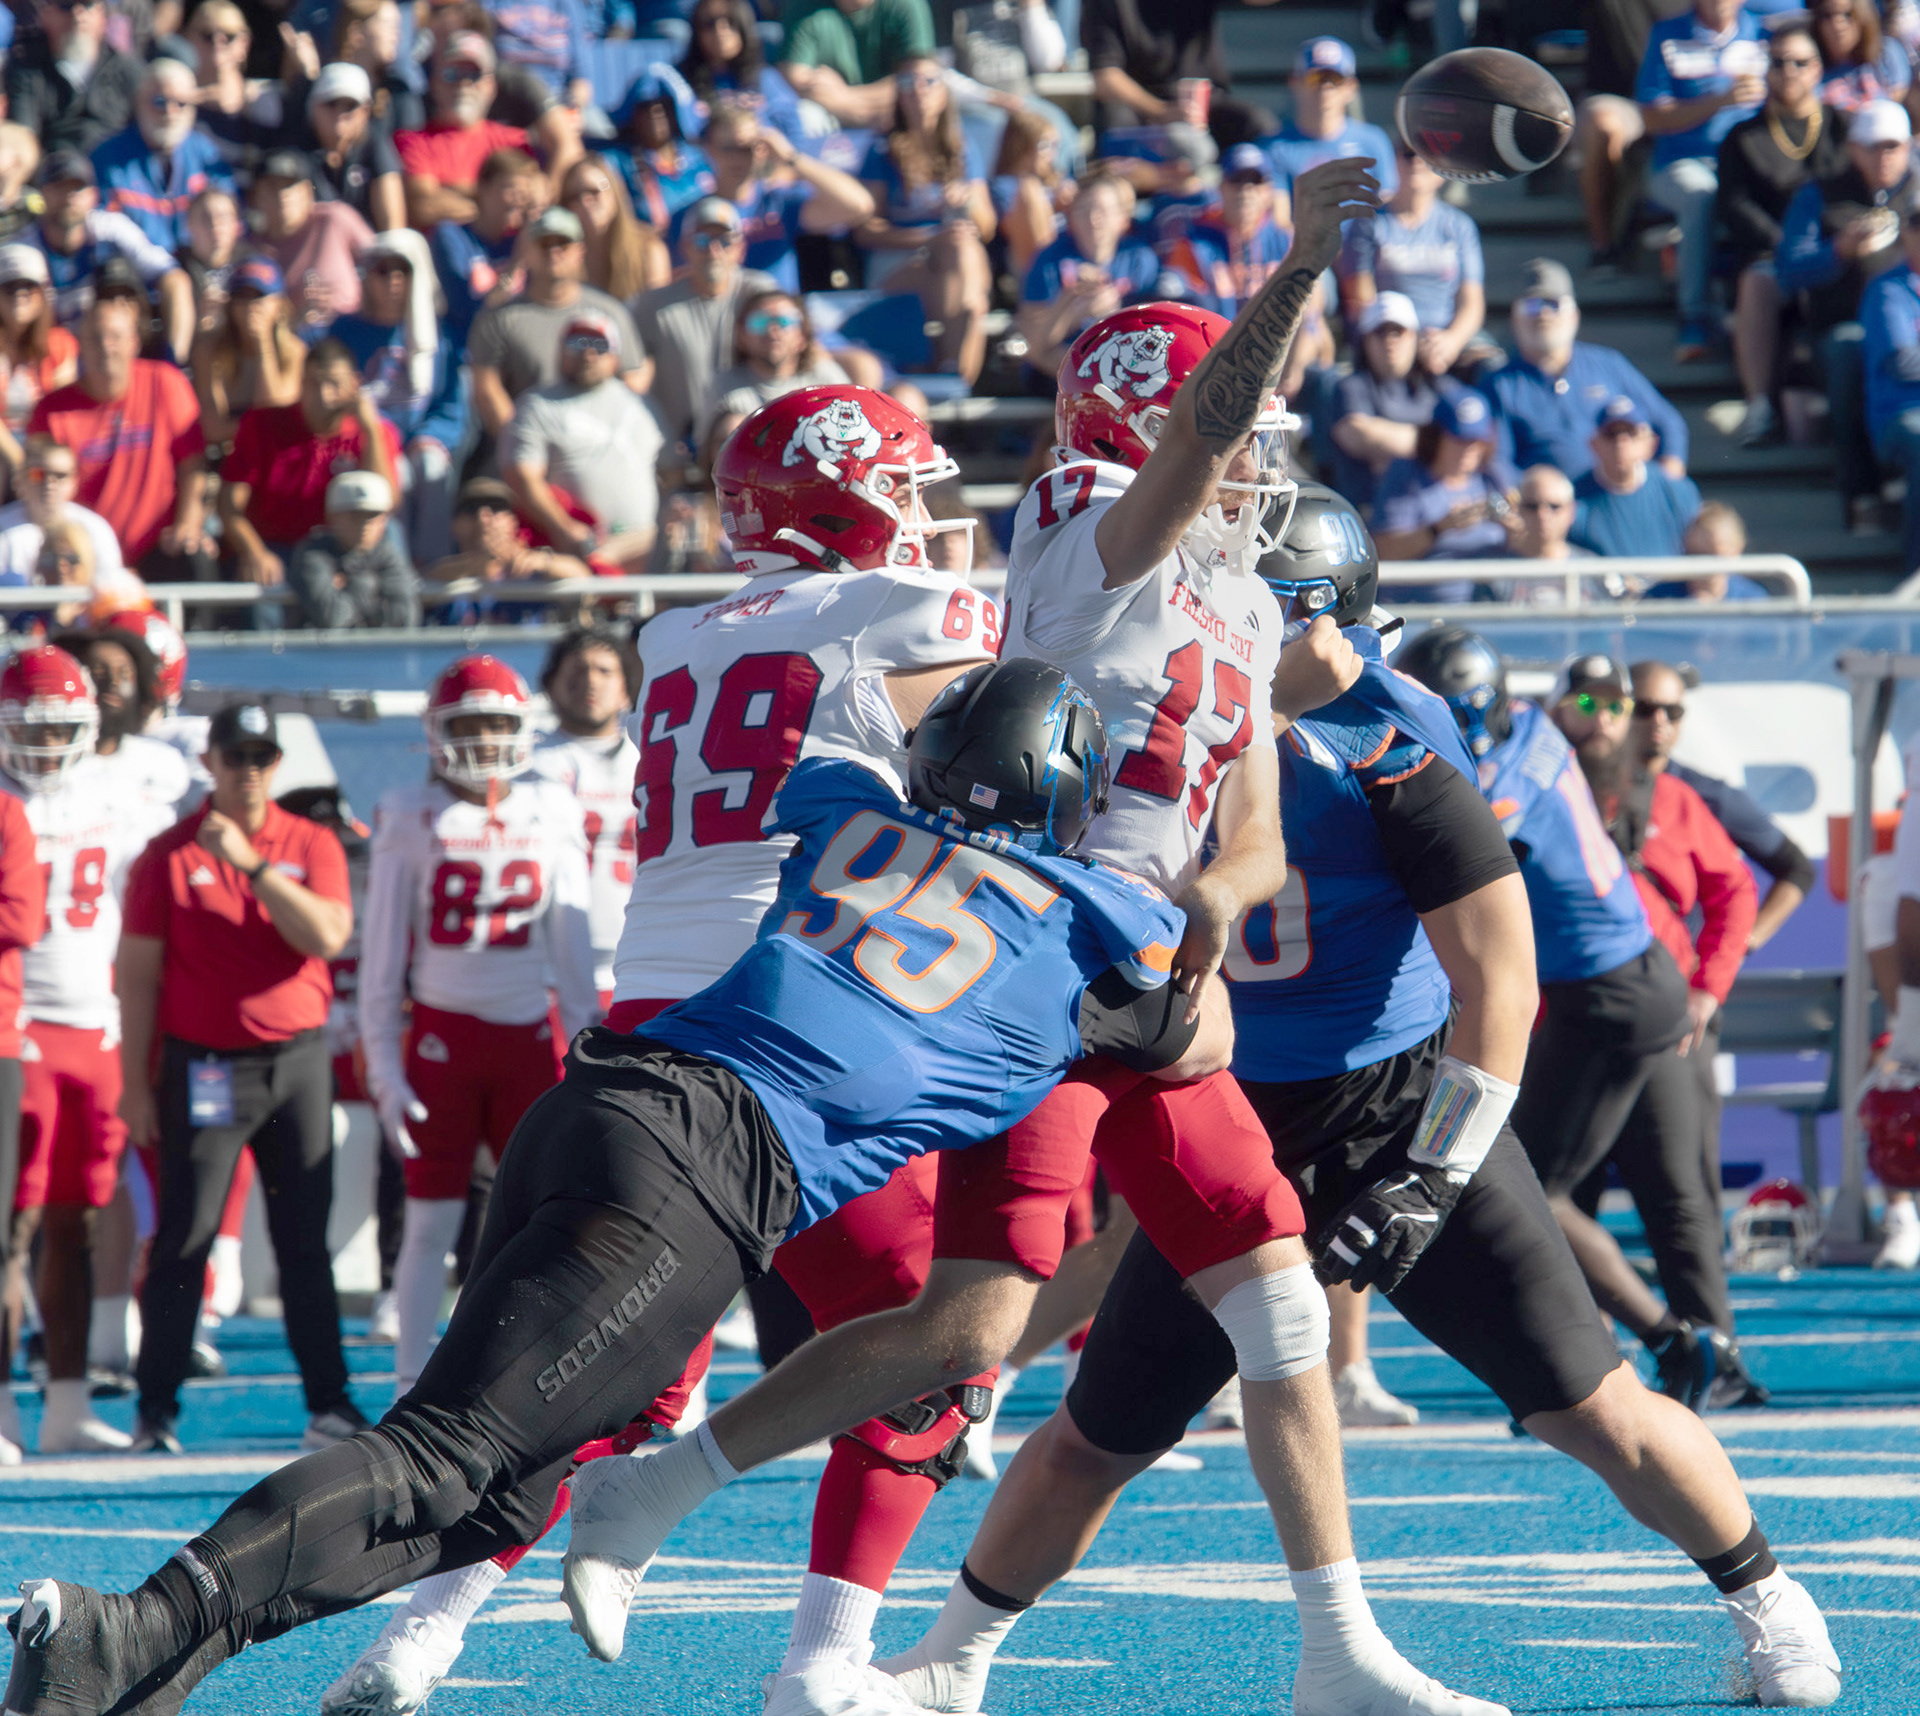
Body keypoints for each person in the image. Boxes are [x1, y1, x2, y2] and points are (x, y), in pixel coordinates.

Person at [0, 655, 1240, 1715]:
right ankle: (122, 1627)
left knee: (498, 1494)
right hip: (705, 1170)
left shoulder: (849, 812)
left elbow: (857, 704)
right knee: (445, 1454)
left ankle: (140, 1671)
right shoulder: (1094, 921)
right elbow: (1203, 1038)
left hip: (600, 1100)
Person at [879, 505, 1843, 1716]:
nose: (1203, 623)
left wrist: (1434, 1172)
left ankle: (1769, 1600)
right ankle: (952, 1658)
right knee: (1098, 1433)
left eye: (1239, 601)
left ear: (1313, 614)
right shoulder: (1183, 715)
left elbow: (1499, 970)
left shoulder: (1389, 735)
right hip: (1227, 1116)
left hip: (1394, 1104)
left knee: (1589, 1407)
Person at [1402, 638, 1749, 1413]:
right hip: (1628, 979)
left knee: (1538, 1190)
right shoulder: (1528, 725)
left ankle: (1673, 1342)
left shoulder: (1500, 784)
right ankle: (1642, 1352)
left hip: (1609, 993)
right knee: (1629, 1186)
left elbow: (1445, 850)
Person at [118, 698, 365, 1454]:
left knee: (303, 1242)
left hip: (296, 1061)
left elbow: (326, 934)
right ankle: (155, 1407)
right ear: (211, 763)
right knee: (185, 1238)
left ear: (275, 766)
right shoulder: (168, 853)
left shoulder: (309, 841)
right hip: (206, 1065)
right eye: (236, 758)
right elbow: (138, 974)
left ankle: (329, 1399)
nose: (249, 773)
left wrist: (253, 866)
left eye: (261, 759)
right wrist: (134, 1081)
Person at [357, 652, 597, 1396]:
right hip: (442, 1037)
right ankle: (407, 1385)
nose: (487, 739)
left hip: (529, 1034)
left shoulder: (550, 807)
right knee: (428, 1222)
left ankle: (516, 1380)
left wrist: (589, 1053)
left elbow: (575, 951)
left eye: (499, 723)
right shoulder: (411, 813)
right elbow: (381, 957)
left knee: (537, 1224)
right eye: (472, 724)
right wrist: (385, 1070)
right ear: (437, 732)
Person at [0, 646, 170, 1454]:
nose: (41, 747)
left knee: (78, 1220)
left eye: (60, 729)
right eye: (27, 730)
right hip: (14, 1026)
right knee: (13, 1223)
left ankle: (65, 1399)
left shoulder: (120, 796)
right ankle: (2, 1406)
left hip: (94, 1026)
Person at [1784, 101, 1919, 534]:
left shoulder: (1916, 193)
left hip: (1909, 324)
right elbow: (1788, 268)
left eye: (1893, 147)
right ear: (1854, 149)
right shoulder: (1820, 194)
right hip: (1845, 320)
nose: (1885, 156)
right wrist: (1838, 252)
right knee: (1848, 353)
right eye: (1874, 147)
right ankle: (1862, 493)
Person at [1717, 24, 1849, 448]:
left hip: (1836, 251)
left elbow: (1852, 194)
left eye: (1800, 62)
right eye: (1777, 62)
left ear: (1818, 69)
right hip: (1772, 256)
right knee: (1757, 282)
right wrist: (1784, 244)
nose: (1788, 71)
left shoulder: (1844, 128)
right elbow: (1734, 205)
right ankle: (1759, 406)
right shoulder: (1742, 137)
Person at [28, 291, 207, 577]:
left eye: (115, 337)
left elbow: (193, 465)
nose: (105, 347)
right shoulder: (52, 411)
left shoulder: (165, 382)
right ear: (80, 347)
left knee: (197, 557)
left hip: (159, 548)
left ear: (134, 342)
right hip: (86, 555)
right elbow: (39, 481)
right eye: (95, 338)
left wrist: (189, 522)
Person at [218, 338, 400, 605]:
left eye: (335, 384)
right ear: (301, 383)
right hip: (276, 547)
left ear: (354, 385)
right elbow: (229, 507)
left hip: (344, 551)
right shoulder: (262, 425)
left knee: (392, 534)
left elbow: (387, 503)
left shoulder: (375, 432)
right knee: (262, 582)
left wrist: (370, 431)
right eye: (314, 383)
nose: (325, 395)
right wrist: (254, 552)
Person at [328, 228, 466, 566]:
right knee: (396, 471)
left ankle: (432, 564)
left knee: (431, 466)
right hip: (366, 438)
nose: (391, 280)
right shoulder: (342, 332)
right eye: (381, 270)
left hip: (420, 439)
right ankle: (395, 564)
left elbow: (453, 403)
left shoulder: (440, 336)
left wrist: (431, 436)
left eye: (400, 270)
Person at [1483, 259, 1689, 480]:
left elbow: (1668, 423)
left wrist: (1669, 476)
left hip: (1618, 500)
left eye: (1553, 304)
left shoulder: (1609, 364)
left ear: (1574, 315)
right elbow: (1500, 463)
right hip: (1549, 508)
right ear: (1514, 318)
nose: (1543, 314)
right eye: (1532, 304)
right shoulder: (1499, 385)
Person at [855, 60, 992, 380]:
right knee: (969, 285)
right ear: (898, 96)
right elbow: (865, 231)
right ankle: (953, 373)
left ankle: (950, 371)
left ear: (944, 93)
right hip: (896, 261)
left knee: (967, 269)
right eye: (907, 83)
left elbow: (987, 227)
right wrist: (930, 238)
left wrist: (968, 201)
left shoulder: (962, 149)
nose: (918, 90)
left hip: (955, 260)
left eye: (929, 81)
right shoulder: (880, 151)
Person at [468, 206, 647, 446]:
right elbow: (487, 390)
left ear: (579, 251)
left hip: (600, 446)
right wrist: (525, 446)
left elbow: (632, 381)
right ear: (528, 252)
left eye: (562, 243)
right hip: (526, 454)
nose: (553, 252)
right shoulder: (500, 317)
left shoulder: (610, 312)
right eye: (544, 244)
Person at [499, 310, 665, 568]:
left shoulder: (641, 405)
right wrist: (564, 528)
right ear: (559, 351)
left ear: (615, 356)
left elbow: (671, 471)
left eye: (599, 345)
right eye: (576, 343)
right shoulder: (537, 405)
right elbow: (522, 476)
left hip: (645, 547)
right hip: (578, 552)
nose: (588, 353)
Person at [530, 625, 639, 1006]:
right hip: (549, 969)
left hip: (638, 962)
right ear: (549, 685)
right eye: (576, 671)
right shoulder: (527, 761)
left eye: (605, 671)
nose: (591, 682)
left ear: (628, 686)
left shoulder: (653, 757)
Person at [630, 196, 778, 451]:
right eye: (702, 241)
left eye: (724, 241)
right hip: (681, 444)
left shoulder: (759, 293)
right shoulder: (654, 307)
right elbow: (633, 378)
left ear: (741, 249)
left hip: (754, 439)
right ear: (684, 247)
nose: (713, 251)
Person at [1338, 135, 1486, 377]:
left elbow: (1472, 302)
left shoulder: (1459, 226)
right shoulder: (1367, 224)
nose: (1417, 161)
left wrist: (1451, 341)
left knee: (1490, 368)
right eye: (1408, 153)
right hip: (1389, 339)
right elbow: (1360, 300)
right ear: (1392, 162)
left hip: (1447, 340)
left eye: (1428, 155)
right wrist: (1408, 343)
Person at [24, 150, 193, 360]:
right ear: (41, 194)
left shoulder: (111, 229)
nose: (69, 196)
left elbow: (175, 280)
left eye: (77, 188)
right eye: (59, 186)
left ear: (94, 195)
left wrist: (172, 362)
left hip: (117, 352)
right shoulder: (24, 249)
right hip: (52, 360)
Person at [1015, 171, 1160, 378]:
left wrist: (1115, 306)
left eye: (1102, 211)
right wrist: (1073, 304)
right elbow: (1035, 346)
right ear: (1071, 217)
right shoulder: (1050, 259)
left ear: (1123, 219)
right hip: (1063, 367)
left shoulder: (1140, 258)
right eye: (1084, 210)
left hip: (1125, 364)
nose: (1093, 220)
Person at [1081, 0, 1279, 150]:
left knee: (1257, 124)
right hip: (1142, 110)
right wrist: (1161, 111)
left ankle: (1264, 196)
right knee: (1116, 125)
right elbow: (1105, 77)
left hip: (1206, 104)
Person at [1370, 389, 1519, 585]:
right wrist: (1440, 528)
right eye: (1458, 439)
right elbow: (1383, 551)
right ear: (1436, 436)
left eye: (1476, 441)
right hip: (1424, 603)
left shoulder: (1494, 475)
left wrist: (1515, 530)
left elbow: (1531, 541)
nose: (1468, 449)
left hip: (1487, 601)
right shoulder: (1407, 475)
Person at [91, 55, 237, 252]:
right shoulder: (106, 158)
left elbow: (232, 225)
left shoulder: (207, 155)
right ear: (138, 102)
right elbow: (100, 232)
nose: (170, 112)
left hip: (199, 270)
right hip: (133, 274)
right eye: (159, 101)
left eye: (181, 103)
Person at [395, 32, 531, 230]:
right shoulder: (412, 141)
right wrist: (494, 201)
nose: (463, 84)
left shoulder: (515, 142)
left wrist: (451, 191)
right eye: (452, 75)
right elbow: (423, 206)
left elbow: (529, 201)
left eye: (473, 75)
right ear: (435, 85)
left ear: (490, 87)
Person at [1158, 143, 1303, 323]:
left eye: (1255, 181)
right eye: (1237, 180)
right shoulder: (1194, 243)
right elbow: (1180, 305)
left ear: (1268, 192)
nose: (1246, 191)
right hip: (1213, 342)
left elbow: (1308, 309)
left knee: (1310, 323)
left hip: (1274, 343)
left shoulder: (1286, 242)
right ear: (1221, 187)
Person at [1327, 289, 1437, 512]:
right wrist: (1436, 446)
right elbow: (1358, 435)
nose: (1390, 341)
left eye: (1398, 331)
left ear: (1415, 336)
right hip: (1372, 511)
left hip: (1433, 507)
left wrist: (1389, 451)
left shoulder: (1437, 386)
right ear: (1365, 340)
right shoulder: (1350, 387)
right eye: (1380, 332)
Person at [248, 147, 373, 329]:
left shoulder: (334, 218)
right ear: (255, 197)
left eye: (290, 185)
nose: (283, 195)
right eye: (272, 186)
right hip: (295, 345)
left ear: (308, 192)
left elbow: (380, 260)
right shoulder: (252, 250)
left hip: (356, 330)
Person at [190, 255, 305, 449]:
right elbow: (213, 429)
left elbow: (276, 416)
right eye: (242, 297)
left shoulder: (294, 351)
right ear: (231, 305)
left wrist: (263, 344)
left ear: (278, 304)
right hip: (228, 457)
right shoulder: (209, 351)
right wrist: (258, 428)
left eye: (258, 297)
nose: (250, 306)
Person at [428, 144, 541, 342]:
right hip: (465, 352)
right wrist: (515, 265)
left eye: (524, 195)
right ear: (483, 188)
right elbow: (467, 313)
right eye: (510, 189)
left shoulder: (525, 241)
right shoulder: (451, 236)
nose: (517, 201)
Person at [702, 288, 849, 437]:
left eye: (785, 321)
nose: (773, 329)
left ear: (802, 336)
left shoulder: (826, 381)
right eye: (760, 322)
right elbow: (707, 453)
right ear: (741, 336)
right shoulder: (723, 387)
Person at [1570, 395, 1705, 557]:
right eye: (1611, 434)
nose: (1621, 443)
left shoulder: (1679, 492)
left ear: (1650, 443)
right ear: (1594, 444)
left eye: (1631, 433)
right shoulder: (1573, 500)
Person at [5, 0, 142, 159]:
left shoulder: (128, 70)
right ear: (46, 15)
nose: (78, 14)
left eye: (88, 5)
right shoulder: (25, 69)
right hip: (52, 173)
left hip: (114, 171)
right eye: (67, 5)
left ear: (102, 16)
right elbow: (24, 135)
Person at [1262, 38, 1398, 195]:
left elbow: (1388, 205)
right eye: (1315, 78)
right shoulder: (1273, 149)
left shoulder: (1374, 142)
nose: (1325, 87)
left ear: (1351, 87)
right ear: (1294, 83)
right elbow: (1278, 216)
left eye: (1335, 79)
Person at [285, 468, 418, 628]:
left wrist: (355, 584)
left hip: (380, 652)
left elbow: (403, 618)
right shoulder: (312, 554)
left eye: (372, 517)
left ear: (384, 520)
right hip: (322, 652)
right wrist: (373, 593)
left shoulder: (388, 555)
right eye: (355, 516)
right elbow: (334, 618)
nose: (364, 525)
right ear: (332, 516)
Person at [776, 0, 935, 129]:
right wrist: (854, 112)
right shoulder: (804, 8)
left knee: (938, 97)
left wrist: (844, 96)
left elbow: (918, 81)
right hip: (836, 118)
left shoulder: (907, 5)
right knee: (805, 115)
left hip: (896, 115)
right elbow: (795, 80)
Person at [0, 433, 125, 588]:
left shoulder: (95, 528)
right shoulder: (3, 527)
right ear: (20, 479)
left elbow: (111, 588)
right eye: (38, 474)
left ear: (74, 482)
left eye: (60, 475)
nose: (49, 484)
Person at [184, 0, 288, 184]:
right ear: (188, 38)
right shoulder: (176, 104)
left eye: (229, 36)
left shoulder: (266, 99)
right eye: (208, 35)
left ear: (244, 43)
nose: (218, 42)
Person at [0, 247, 78, 486]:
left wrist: (34, 463)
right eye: (10, 288)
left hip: (45, 450)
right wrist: (19, 460)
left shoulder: (60, 344)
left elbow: (63, 411)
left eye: (29, 287)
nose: (20, 295)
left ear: (43, 294)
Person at [301, 60, 404, 232]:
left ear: (365, 111)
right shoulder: (297, 153)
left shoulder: (375, 147)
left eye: (350, 106)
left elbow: (393, 229)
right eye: (331, 103)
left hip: (370, 252)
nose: (340, 114)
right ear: (312, 107)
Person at [679, 0, 803, 139]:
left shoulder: (766, 78)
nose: (720, 30)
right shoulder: (680, 82)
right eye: (710, 23)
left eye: (731, 21)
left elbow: (794, 135)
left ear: (743, 26)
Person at [560, 152, 668, 303]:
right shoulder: (561, 256)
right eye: (574, 197)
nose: (585, 202)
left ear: (614, 192)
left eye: (594, 191)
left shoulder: (648, 249)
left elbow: (654, 315)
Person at [989, 108, 1066, 282]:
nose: (1052, 154)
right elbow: (1011, 226)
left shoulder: (1055, 182)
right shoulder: (1003, 186)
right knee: (1029, 190)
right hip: (1027, 262)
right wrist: (1052, 205)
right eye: (1045, 145)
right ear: (1022, 145)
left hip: (1066, 253)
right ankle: (1046, 278)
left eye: (1055, 146)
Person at [1814, 0, 1909, 111]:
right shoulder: (1810, 68)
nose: (1837, 24)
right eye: (1828, 15)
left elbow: (1900, 100)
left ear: (1862, 15)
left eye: (1848, 14)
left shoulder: (1887, 52)